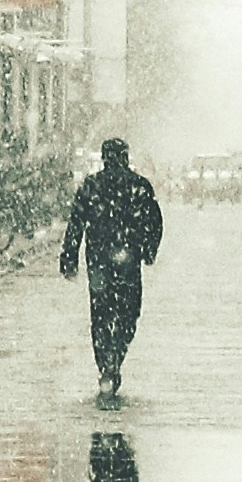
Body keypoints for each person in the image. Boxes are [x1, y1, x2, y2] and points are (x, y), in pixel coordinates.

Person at [61, 135, 167, 402]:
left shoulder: (91, 186)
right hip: (128, 260)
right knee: (129, 311)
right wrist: (148, 250)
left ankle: (106, 361)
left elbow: (76, 223)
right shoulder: (139, 186)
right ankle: (116, 354)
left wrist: (69, 256)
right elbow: (155, 221)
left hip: (98, 260)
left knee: (100, 313)